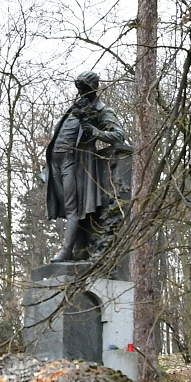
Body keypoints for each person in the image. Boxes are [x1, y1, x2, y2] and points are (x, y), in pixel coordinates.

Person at [45, 71, 130, 263]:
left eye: (84, 88)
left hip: (74, 161)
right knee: (67, 210)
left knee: (73, 208)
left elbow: (118, 135)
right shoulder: (77, 107)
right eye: (78, 88)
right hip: (56, 162)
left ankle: (67, 252)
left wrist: (93, 130)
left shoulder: (101, 110)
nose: (80, 92)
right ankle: (79, 250)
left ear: (94, 88)